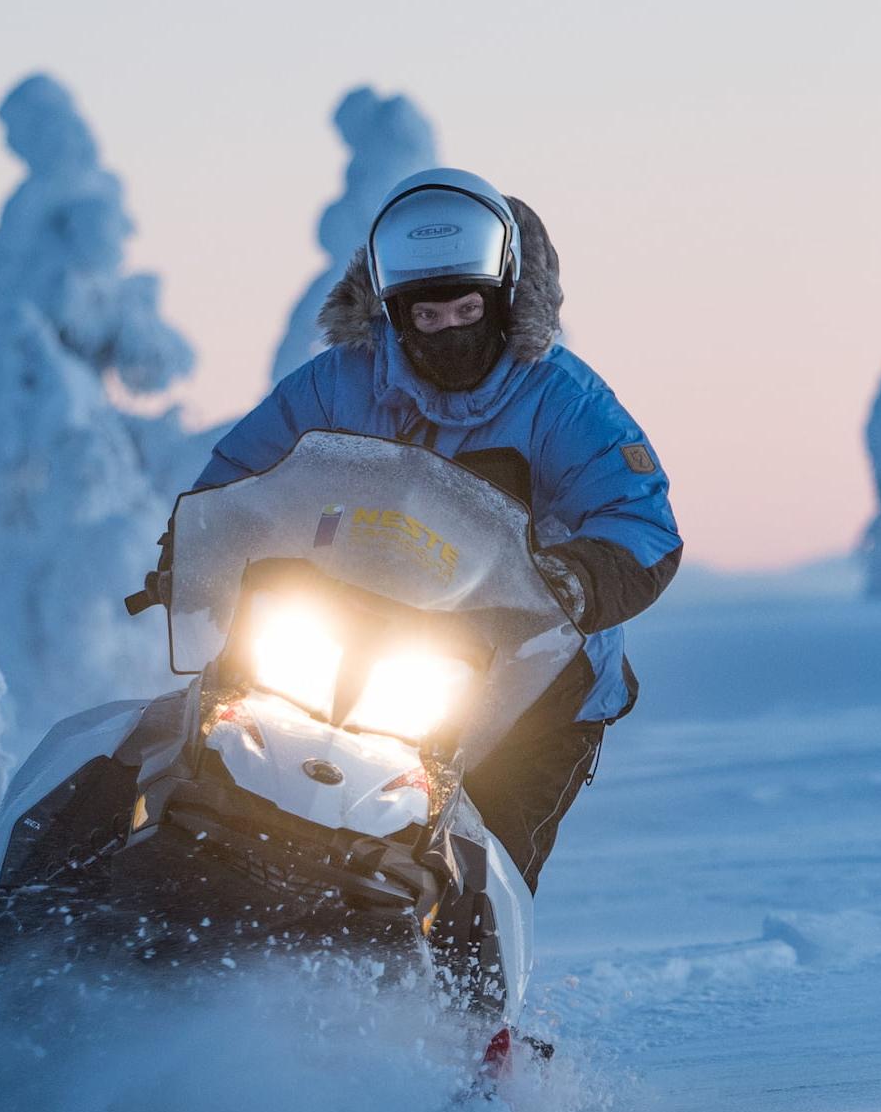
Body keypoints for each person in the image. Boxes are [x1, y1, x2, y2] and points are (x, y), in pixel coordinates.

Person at [182, 167, 679, 882]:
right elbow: (241, 471)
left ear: (501, 302)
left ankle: (462, 986)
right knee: (215, 753)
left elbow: (641, 518)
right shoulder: (339, 382)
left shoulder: (561, 398)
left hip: (526, 675)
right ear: (393, 312)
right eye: (427, 317)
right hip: (345, 639)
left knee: (481, 858)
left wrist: (576, 577)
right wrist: (206, 543)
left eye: (466, 311)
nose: (448, 330)